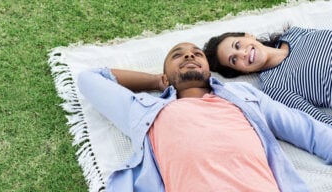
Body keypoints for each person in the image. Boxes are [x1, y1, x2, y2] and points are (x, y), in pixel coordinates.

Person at [78, 42, 332, 192]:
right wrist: (157, 81)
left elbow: (308, 130)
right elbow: (90, 79)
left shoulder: (244, 96)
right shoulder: (145, 110)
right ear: (166, 76)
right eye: (177, 55)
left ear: (209, 70)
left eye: (197, 54)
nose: (189, 55)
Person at [203, 26, 332, 126]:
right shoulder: (274, 88)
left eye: (237, 45)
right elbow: (319, 123)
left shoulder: (294, 33)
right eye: (234, 60)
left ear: (249, 36)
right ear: (240, 71)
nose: (242, 53)